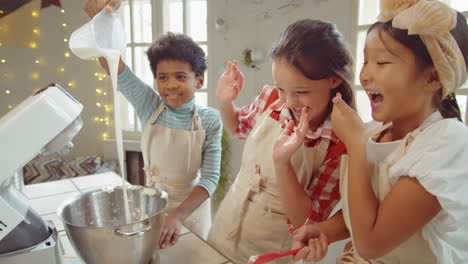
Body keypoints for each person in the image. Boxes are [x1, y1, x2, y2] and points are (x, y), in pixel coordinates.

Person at [291, 0, 468, 263]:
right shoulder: (376, 132)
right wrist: (325, 229)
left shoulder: (448, 143)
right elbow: (372, 211)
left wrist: (355, 145)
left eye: (382, 62)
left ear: (432, 78)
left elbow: (372, 243)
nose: (364, 75)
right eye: (365, 61)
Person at [207, 19, 355, 264]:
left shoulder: (341, 142)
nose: (289, 101)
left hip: (269, 253)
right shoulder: (271, 98)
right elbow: (238, 126)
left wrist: (282, 163)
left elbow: (307, 223)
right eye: (282, 89)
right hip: (222, 233)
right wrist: (225, 102)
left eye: (302, 92)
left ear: (334, 79)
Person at [83, 0, 223, 249]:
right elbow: (113, 65)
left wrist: (178, 215)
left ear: (199, 80)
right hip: (153, 204)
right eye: (163, 77)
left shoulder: (209, 119)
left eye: (181, 77)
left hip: (191, 212)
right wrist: (99, 23)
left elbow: (210, 179)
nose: (170, 85)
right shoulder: (149, 104)